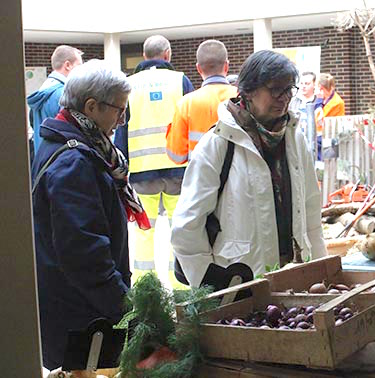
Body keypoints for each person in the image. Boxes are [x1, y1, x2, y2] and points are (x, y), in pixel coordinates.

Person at [171, 50, 327, 287]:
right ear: (249, 91)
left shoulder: (295, 138)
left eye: (289, 89)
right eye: (276, 89)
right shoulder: (218, 143)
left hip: (296, 277)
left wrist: (320, 271)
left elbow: (311, 211)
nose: (284, 98)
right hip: (240, 284)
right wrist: (211, 286)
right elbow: (188, 225)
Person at [31, 60, 148, 370]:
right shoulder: (75, 162)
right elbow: (86, 255)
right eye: (119, 110)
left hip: (77, 308)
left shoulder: (67, 144)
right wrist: (127, 311)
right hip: (81, 318)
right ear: (92, 106)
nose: (122, 120)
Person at [114, 35, 194, 289]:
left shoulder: (128, 85)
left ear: (144, 56)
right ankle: (180, 286)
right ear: (168, 54)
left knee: (143, 231)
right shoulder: (180, 81)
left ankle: (146, 288)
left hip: (140, 172)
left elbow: (121, 130)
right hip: (178, 170)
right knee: (179, 230)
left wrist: (121, 170)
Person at [166, 39, 237, 165]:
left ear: (198, 68)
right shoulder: (241, 97)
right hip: (238, 177)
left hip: (201, 177)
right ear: (226, 66)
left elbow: (177, 156)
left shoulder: (186, 104)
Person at [27, 45, 83, 152]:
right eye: (79, 65)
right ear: (67, 65)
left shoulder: (43, 89)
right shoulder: (65, 94)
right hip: (62, 159)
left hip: (43, 157)